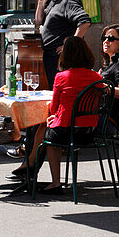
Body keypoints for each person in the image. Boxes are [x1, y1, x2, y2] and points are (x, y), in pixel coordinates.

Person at [23, 36, 101, 195]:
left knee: (49, 135)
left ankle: (49, 178)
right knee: (49, 127)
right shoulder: (96, 77)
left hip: (66, 131)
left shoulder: (61, 77)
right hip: (89, 132)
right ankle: (31, 165)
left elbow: (53, 107)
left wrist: (55, 115)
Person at [35, 0, 91, 86]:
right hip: (51, 56)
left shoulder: (68, 1)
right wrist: (41, 2)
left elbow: (85, 22)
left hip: (61, 58)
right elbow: (39, 21)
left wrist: (69, 45)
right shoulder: (55, 1)